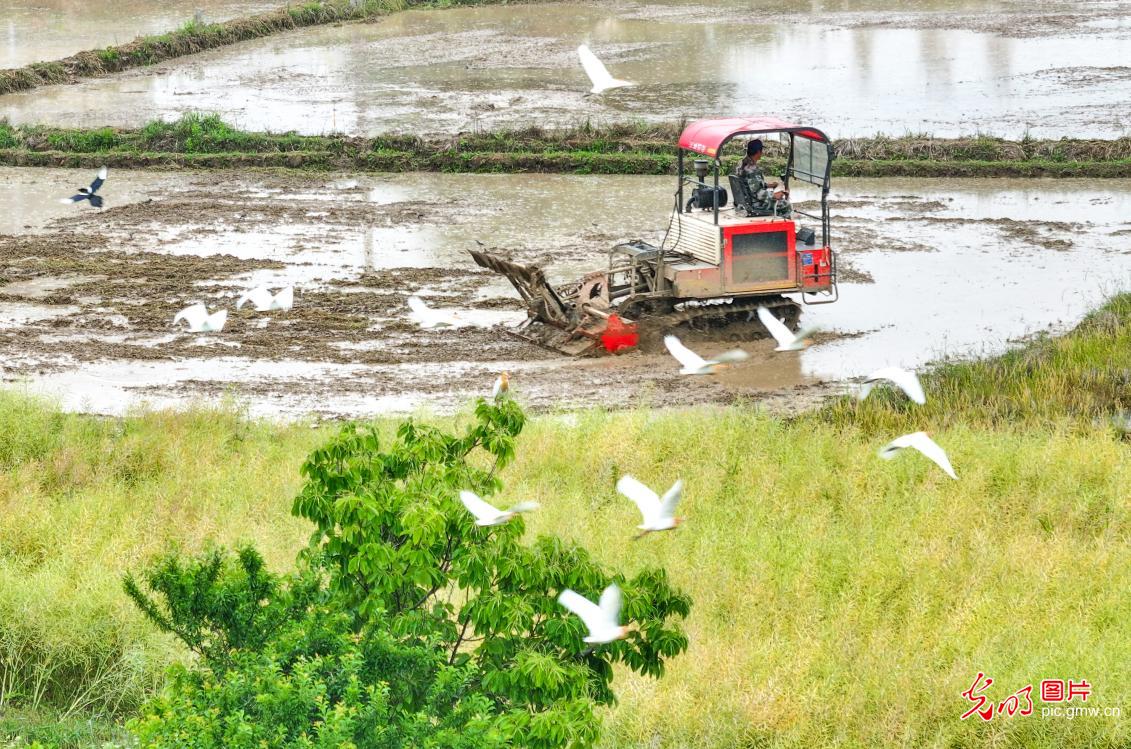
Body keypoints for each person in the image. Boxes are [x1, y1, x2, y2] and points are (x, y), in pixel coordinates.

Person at [735, 139, 789, 215]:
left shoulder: (741, 164)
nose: (762, 153)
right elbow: (758, 194)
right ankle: (782, 225)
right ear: (758, 152)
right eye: (761, 150)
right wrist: (774, 195)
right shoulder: (751, 169)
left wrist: (768, 185)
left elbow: (751, 185)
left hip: (746, 200)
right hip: (755, 204)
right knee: (785, 204)